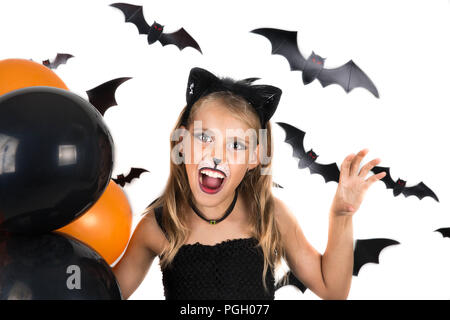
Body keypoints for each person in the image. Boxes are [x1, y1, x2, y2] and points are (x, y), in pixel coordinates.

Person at [112, 67, 386, 300]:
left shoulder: (270, 215)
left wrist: (340, 216)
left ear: (255, 157)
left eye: (235, 145)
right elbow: (105, 293)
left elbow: (332, 289)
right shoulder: (157, 225)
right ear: (181, 142)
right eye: (204, 138)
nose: (216, 156)